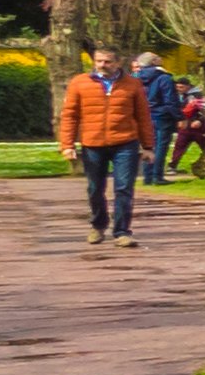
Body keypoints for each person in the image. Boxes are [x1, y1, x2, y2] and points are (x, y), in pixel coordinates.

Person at [57, 46, 151, 248]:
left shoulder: (133, 85)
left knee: (124, 188)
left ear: (117, 63)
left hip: (125, 142)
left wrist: (148, 146)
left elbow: (143, 117)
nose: (102, 65)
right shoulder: (79, 82)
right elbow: (70, 116)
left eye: (107, 61)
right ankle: (98, 225)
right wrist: (67, 144)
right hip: (93, 143)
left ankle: (122, 231)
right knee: (94, 188)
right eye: (99, 61)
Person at [135, 49, 183, 182]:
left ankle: (147, 176)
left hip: (143, 116)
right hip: (161, 115)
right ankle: (157, 175)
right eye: (158, 57)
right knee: (160, 146)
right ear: (154, 61)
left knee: (148, 145)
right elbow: (171, 100)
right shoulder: (164, 78)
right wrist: (179, 117)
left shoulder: (136, 78)